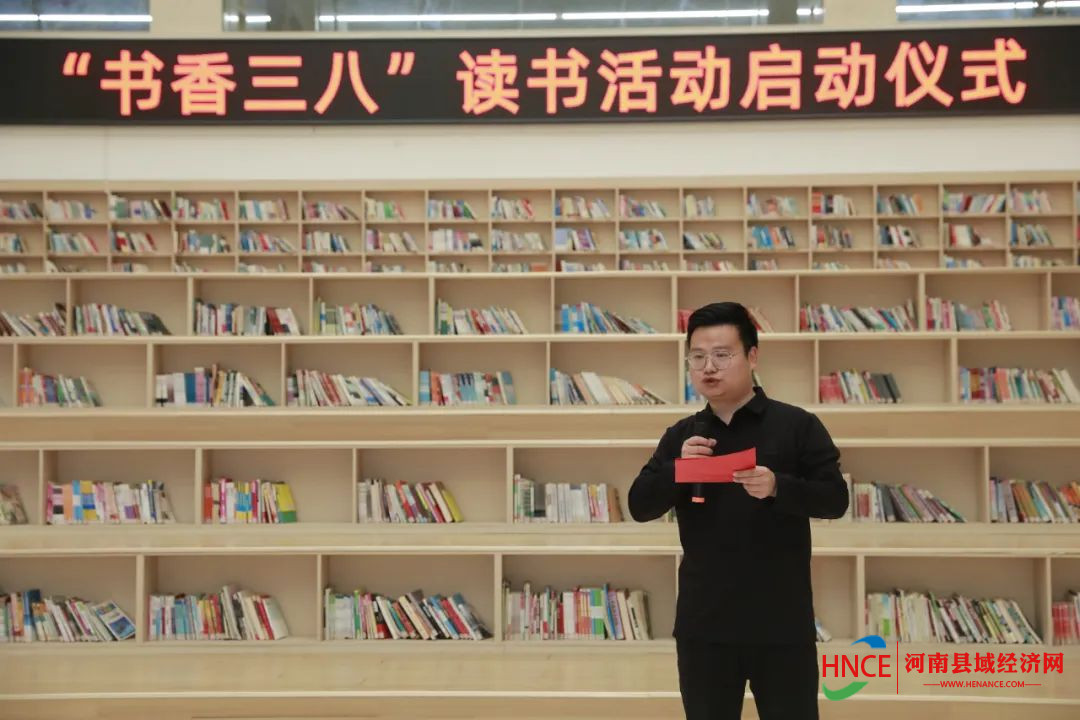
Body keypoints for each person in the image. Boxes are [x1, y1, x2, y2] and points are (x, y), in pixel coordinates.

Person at [628, 301, 849, 720]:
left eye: (722, 354)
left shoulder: (797, 425)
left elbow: (835, 498)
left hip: (781, 623)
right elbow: (639, 505)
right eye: (697, 357)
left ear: (752, 356)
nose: (708, 367)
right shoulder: (681, 436)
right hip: (705, 626)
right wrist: (678, 470)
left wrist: (778, 487)